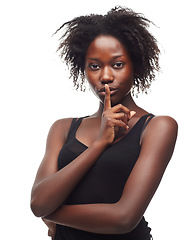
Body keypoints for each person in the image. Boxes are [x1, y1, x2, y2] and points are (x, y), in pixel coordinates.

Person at [30, 6, 178, 240]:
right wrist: (100, 143)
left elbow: (124, 218)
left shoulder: (157, 127)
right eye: (95, 66)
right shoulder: (63, 128)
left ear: (136, 66)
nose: (106, 76)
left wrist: (53, 213)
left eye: (118, 64)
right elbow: (38, 202)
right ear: (84, 69)